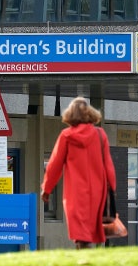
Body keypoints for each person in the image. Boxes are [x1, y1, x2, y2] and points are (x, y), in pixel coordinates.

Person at [41, 97, 117, 249]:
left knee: (80, 229)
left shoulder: (66, 136)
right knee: (91, 226)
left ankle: (83, 252)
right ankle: (85, 252)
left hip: (75, 191)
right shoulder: (100, 135)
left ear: (70, 115)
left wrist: (47, 188)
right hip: (97, 189)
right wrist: (112, 189)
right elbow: (108, 165)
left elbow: (54, 164)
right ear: (90, 114)